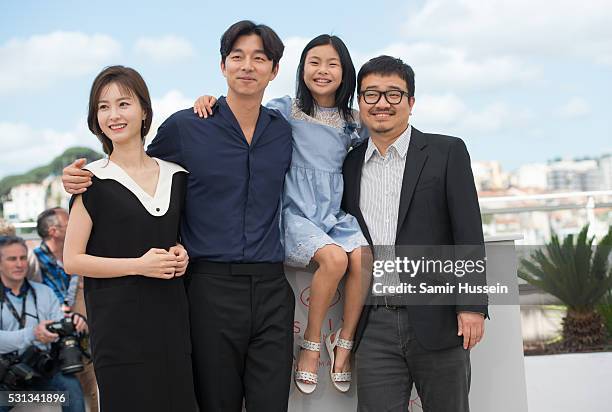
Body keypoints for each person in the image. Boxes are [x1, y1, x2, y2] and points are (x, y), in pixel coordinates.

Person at [62, 21, 294, 411]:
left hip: (272, 285)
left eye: (259, 58)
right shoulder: (187, 127)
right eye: (237, 56)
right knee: (211, 402)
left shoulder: (285, 130)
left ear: (274, 70)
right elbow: (131, 162)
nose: (247, 66)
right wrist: (72, 177)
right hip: (208, 289)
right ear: (222, 66)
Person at [193, 34, 371, 394]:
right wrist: (208, 99)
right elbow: (241, 104)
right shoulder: (284, 109)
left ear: (345, 72)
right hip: (295, 213)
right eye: (314, 62)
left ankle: (345, 342)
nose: (322, 70)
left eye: (332, 64)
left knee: (364, 258)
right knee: (335, 261)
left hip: (331, 213)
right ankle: (311, 344)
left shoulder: (353, 121)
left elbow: (385, 132)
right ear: (300, 68)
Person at [341, 56, 488, 412]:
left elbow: (467, 231)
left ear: (411, 102)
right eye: (371, 94)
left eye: (394, 94)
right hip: (374, 321)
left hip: (438, 317)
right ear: (359, 102)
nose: (381, 104)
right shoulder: (348, 163)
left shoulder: (446, 151)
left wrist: (471, 305)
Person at [62, 65, 197, 412]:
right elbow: (73, 259)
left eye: (123, 104)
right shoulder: (90, 180)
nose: (114, 115)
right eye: (103, 107)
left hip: (172, 323)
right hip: (118, 329)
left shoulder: (177, 175)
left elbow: (180, 236)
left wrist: (183, 253)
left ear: (144, 111)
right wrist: (139, 266)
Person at [0, 236, 86, 412]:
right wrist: (33, 334)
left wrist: (73, 324)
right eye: (12, 259)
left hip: (42, 370)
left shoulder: (44, 292)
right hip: (5, 378)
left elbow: (58, 326)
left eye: (23, 258)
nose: (19, 264)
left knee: (72, 390)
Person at [29, 207, 99, 412]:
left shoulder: (79, 256)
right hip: (53, 337)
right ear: (54, 231)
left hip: (81, 332)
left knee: (94, 385)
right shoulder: (33, 261)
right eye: (69, 222)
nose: (77, 224)